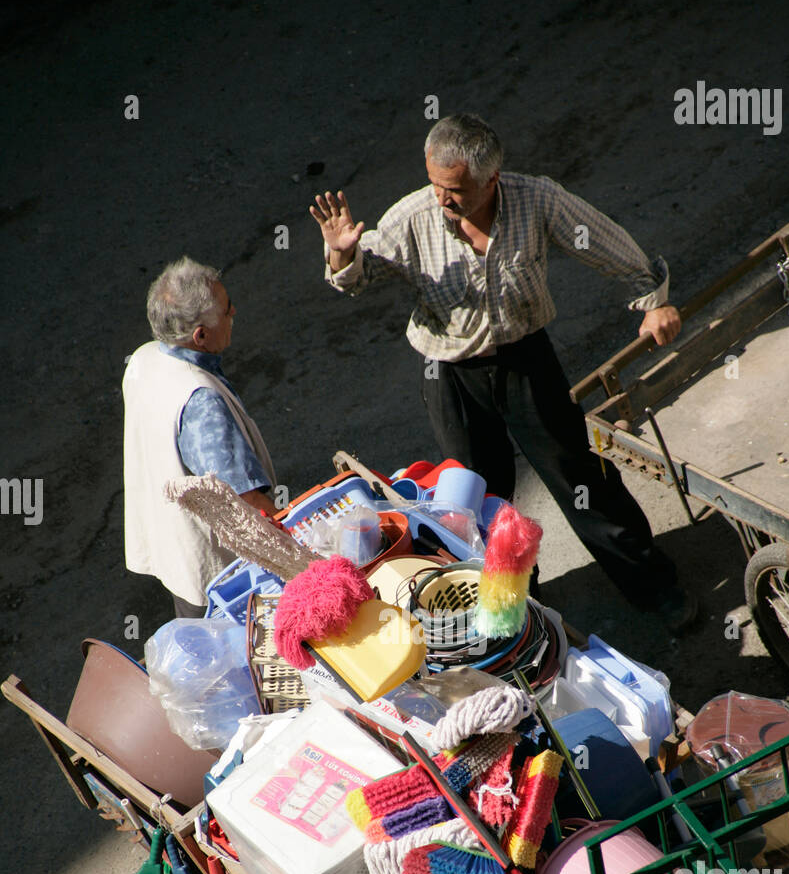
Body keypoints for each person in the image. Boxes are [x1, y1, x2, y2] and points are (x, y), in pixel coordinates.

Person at [310, 113, 696, 631]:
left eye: (454, 189)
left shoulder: (537, 199)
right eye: (435, 184)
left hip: (525, 360)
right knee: (475, 504)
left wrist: (652, 297)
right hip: (450, 376)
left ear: (492, 179)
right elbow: (361, 273)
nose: (442, 198)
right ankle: (512, 617)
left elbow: (600, 239)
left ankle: (657, 590)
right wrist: (343, 257)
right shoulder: (414, 216)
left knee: (582, 479)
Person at [123, 256, 280, 618]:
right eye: (227, 310)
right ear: (201, 336)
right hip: (219, 579)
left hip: (173, 553)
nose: (234, 312)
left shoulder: (144, 359)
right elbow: (248, 502)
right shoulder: (200, 401)